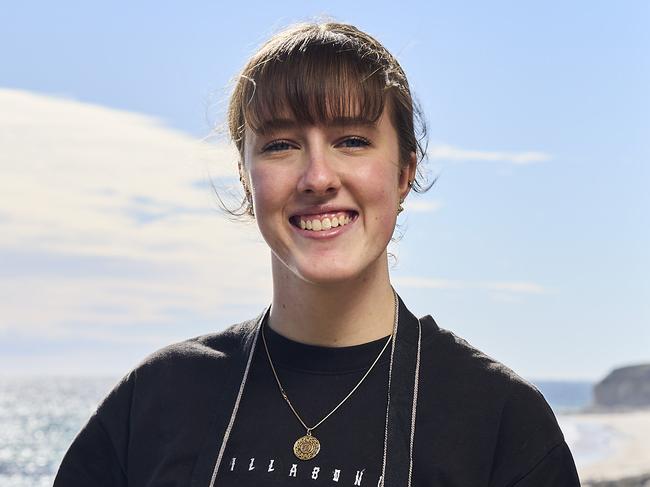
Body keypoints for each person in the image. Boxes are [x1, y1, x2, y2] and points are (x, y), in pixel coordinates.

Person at [54, 21, 581, 487]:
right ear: (246, 178)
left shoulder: (500, 422)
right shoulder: (159, 396)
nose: (318, 178)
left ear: (403, 174)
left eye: (351, 140)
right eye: (281, 145)